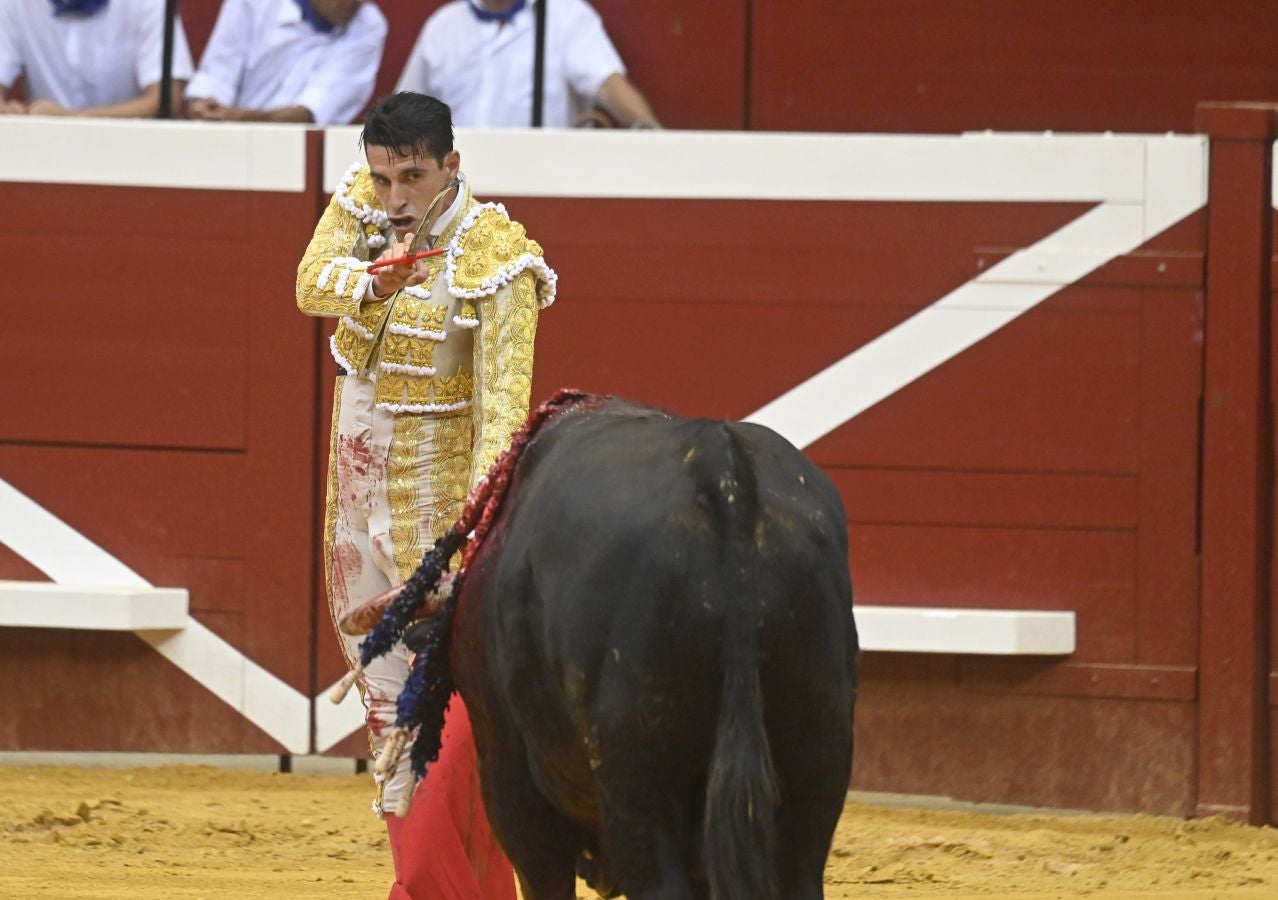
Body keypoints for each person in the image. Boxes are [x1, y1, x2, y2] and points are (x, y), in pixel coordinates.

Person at [296, 90, 555, 900]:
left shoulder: (495, 258)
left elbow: (502, 420)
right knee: (390, 726)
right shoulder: (361, 211)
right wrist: (373, 282)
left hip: (435, 529)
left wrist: (464, 551)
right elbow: (310, 285)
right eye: (383, 178)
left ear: (452, 163)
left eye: (413, 176)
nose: (396, 196)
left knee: (445, 728)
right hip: (352, 520)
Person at [396, 0, 659, 129]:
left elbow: (609, 86)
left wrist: (655, 138)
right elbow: (402, 115)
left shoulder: (566, 15)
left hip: (542, 183)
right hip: (455, 191)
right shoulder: (443, 26)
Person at [186, 0, 387, 125]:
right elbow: (217, 75)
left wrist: (234, 118)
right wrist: (203, 106)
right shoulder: (252, 3)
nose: (354, 2)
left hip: (303, 159)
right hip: (226, 145)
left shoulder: (369, 25)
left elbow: (309, 115)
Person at [0, 0, 193, 117]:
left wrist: (70, 120)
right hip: (39, 151)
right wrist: (9, 113)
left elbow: (166, 99)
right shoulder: (12, 4)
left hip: (132, 150)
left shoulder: (148, 3)